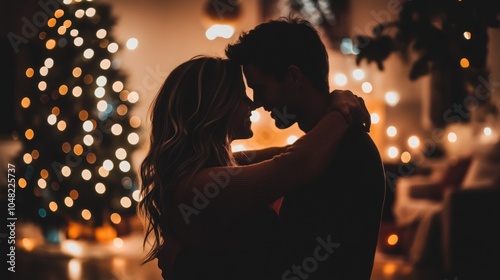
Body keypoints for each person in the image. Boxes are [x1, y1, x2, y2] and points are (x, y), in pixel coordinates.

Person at [138, 55, 370, 279]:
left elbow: (288, 154)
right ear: (214, 106)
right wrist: (342, 112)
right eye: (240, 95)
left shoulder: (203, 173)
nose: (252, 103)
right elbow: (296, 164)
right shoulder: (204, 183)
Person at [225, 16, 386, 279]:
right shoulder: (328, 145)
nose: (257, 103)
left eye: (260, 88)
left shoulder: (345, 153)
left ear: (293, 77)